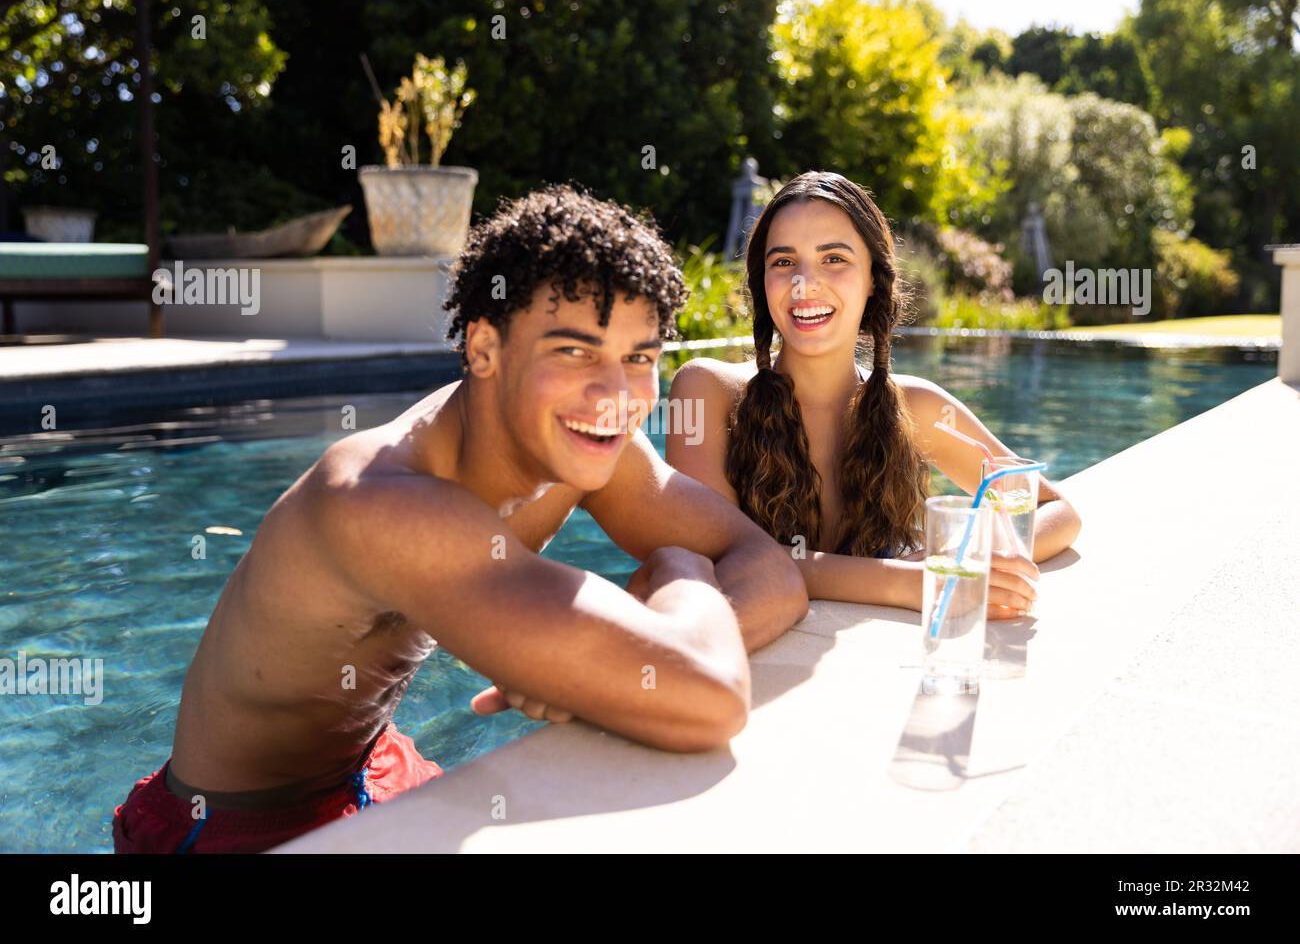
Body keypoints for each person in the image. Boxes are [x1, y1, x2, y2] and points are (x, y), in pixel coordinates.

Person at [112, 184, 808, 853]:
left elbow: (770, 569)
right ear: (483, 348)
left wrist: (620, 669)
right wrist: (682, 571)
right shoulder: (386, 501)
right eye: (574, 350)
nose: (614, 393)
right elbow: (713, 696)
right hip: (239, 828)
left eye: (639, 358)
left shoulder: (583, 442)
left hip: (374, 764)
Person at [665, 170, 1081, 614]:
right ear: (761, 282)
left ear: (872, 281)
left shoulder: (916, 407)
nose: (805, 284)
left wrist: (959, 556)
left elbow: (1055, 512)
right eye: (783, 262)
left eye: (834, 259)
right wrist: (908, 582)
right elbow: (717, 553)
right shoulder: (704, 391)